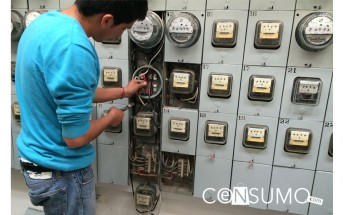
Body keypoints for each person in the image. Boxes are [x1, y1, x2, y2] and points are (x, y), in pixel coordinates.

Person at [15, 0, 148, 214]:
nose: (121, 35)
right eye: (123, 28)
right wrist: (110, 118)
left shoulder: (44, 24)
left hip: (36, 159)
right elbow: (75, 138)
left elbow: (70, 91)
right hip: (62, 174)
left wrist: (123, 91)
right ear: (107, 20)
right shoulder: (74, 49)